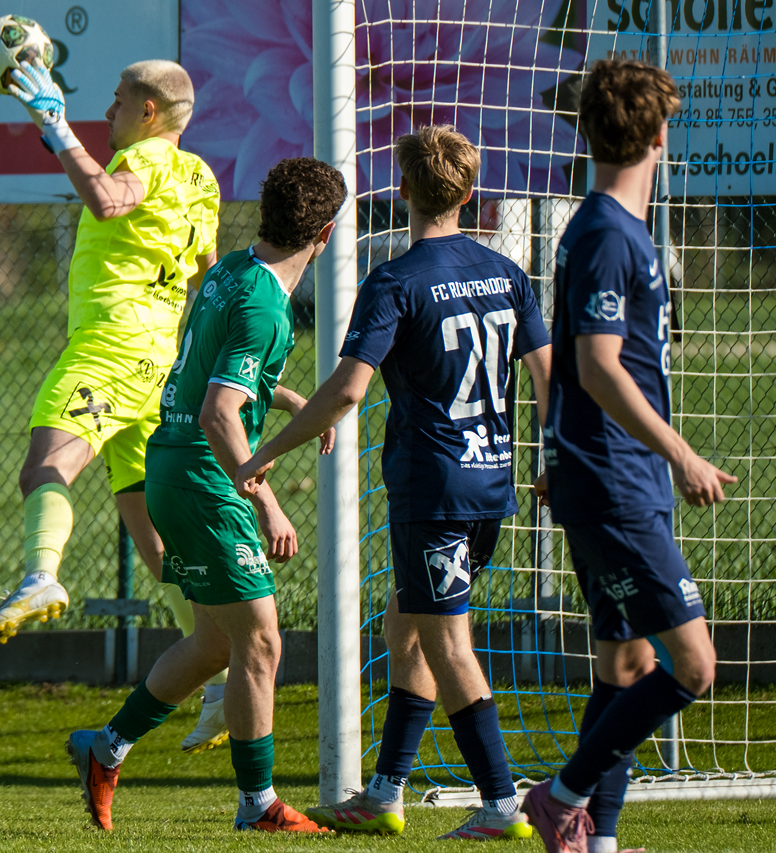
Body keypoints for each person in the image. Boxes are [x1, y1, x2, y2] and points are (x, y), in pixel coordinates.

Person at [234, 126, 551, 841]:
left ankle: (503, 803)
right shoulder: (507, 272)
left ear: (402, 190)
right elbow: (548, 376)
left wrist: (268, 448)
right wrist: (551, 456)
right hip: (491, 482)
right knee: (406, 626)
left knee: (447, 641)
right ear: (470, 193)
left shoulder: (395, 281)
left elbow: (348, 390)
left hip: (432, 487)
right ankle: (384, 793)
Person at [64, 157, 346, 833]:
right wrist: (266, 501)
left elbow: (208, 370)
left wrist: (287, 399)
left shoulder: (232, 272)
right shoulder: (266, 306)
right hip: (204, 477)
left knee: (217, 641)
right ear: (326, 234)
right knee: (262, 641)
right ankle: (258, 804)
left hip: (172, 466)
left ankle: (106, 746)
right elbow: (220, 412)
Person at [0, 58, 230, 752]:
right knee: (155, 537)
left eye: (117, 101)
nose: (107, 112)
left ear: (149, 111)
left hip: (112, 346)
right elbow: (206, 276)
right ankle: (221, 673)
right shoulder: (201, 178)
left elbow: (110, 200)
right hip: (160, 359)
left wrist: (54, 127)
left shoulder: (145, 156)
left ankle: (41, 577)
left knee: (45, 468)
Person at [521, 58, 733, 853]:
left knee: (626, 662)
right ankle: (561, 797)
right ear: (658, 135)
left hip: (605, 472)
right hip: (616, 481)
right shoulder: (610, 232)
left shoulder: (610, 228)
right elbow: (598, 364)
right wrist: (682, 453)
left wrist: (558, 449)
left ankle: (597, 841)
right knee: (693, 664)